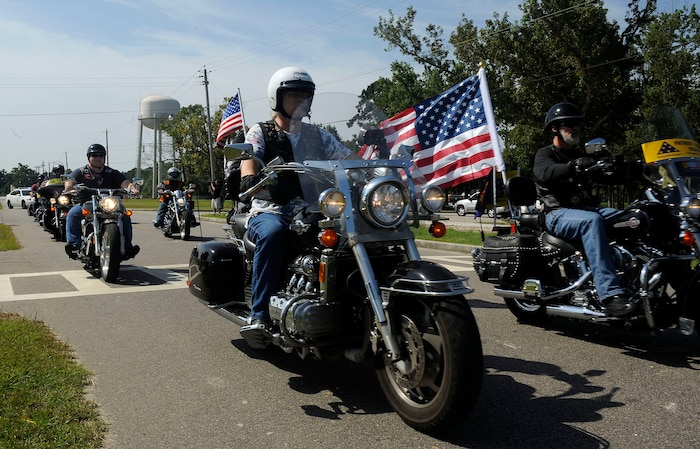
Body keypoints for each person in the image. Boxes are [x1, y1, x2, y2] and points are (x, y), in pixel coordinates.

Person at [240, 66, 360, 337]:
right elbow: (249, 161)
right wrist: (250, 178)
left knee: (352, 233)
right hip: (271, 210)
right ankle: (259, 316)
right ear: (277, 98)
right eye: (293, 95)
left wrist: (377, 167)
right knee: (273, 234)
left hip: (313, 209)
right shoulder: (261, 132)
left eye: (305, 96)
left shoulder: (318, 135)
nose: (300, 101)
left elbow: (348, 157)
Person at [532, 102, 633, 316]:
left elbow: (605, 174)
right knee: (591, 222)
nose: (574, 128)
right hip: (557, 213)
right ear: (554, 128)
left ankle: (637, 283)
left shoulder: (582, 155)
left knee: (634, 217)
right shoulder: (545, 154)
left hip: (588, 210)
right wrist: (572, 166)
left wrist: (624, 168)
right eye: (569, 124)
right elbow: (545, 173)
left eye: (577, 124)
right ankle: (610, 295)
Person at [64, 144, 140, 260]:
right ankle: (74, 245)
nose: (97, 158)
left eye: (100, 155)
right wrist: (69, 187)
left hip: (109, 204)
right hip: (87, 203)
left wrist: (131, 188)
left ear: (104, 157)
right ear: (89, 157)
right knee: (73, 213)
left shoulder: (112, 172)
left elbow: (124, 182)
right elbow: (71, 180)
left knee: (124, 216)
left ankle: (127, 247)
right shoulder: (81, 172)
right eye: (94, 155)